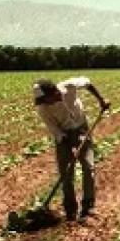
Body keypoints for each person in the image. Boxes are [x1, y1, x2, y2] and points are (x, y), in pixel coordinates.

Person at [33, 76, 110, 221]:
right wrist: (70, 144)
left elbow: (88, 82)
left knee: (88, 167)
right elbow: (54, 130)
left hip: (81, 129)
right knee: (66, 173)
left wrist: (101, 100)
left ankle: (88, 207)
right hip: (63, 135)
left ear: (53, 92)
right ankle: (70, 209)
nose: (45, 103)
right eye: (42, 101)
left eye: (45, 99)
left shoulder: (68, 87)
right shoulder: (43, 108)